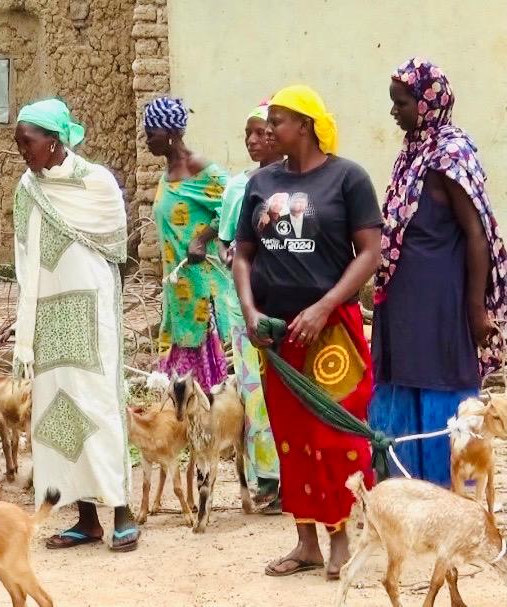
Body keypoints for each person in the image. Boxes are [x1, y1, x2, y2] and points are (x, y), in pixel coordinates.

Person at [232, 85, 381, 580]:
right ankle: (306, 542)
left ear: (307, 125)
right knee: (291, 435)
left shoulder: (347, 178)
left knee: (333, 432)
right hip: (275, 334)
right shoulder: (261, 183)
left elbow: (369, 253)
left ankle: (342, 537)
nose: (270, 128)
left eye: (278, 120)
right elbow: (244, 254)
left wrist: (324, 306)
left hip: (330, 331)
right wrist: (250, 312)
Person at [370, 58, 507, 486]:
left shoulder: (449, 154)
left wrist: (474, 310)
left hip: (440, 304)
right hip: (403, 302)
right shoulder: (413, 152)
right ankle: (408, 495)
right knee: (402, 387)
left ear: (429, 101)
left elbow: (477, 234)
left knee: (440, 388)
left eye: (402, 102)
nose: (394, 112)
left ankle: (450, 497)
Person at [11, 99, 136, 552]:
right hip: (48, 313)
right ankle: (85, 518)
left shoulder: (96, 183)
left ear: (55, 140)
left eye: (29, 142)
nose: (23, 151)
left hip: (91, 309)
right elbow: (25, 256)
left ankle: (122, 510)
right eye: (19, 142)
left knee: (98, 403)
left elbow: (115, 247)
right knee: (58, 410)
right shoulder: (27, 188)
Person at [218, 101, 284, 513]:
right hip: (244, 306)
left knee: (288, 389)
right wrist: (233, 256)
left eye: (262, 132)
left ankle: (294, 474)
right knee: (254, 392)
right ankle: (268, 478)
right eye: (249, 134)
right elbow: (227, 240)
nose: (254, 140)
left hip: (285, 304)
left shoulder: (296, 187)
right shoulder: (237, 188)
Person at [145, 97, 234, 390]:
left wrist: (202, 238)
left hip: (201, 287)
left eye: (151, 133)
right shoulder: (168, 171)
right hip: (177, 288)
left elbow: (236, 200)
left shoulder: (196, 167)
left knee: (211, 375)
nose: (146, 140)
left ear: (170, 134)